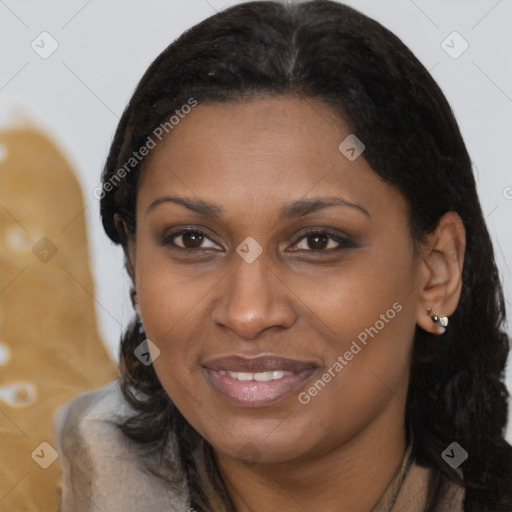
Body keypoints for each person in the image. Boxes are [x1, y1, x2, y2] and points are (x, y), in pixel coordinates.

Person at [54, 1, 512, 511]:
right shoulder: (58, 481)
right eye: (191, 239)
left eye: (318, 242)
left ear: (436, 272)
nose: (248, 313)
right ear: (134, 265)